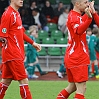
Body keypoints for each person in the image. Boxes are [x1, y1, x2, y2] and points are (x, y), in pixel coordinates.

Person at [0, 0, 41, 99]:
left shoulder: (16, 13)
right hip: (13, 54)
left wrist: (33, 43)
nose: (22, 0)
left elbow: (20, 33)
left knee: (5, 81)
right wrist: (5, 53)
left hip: (14, 53)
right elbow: (2, 37)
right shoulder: (8, 14)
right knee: (24, 81)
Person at [56, 0, 93, 99]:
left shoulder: (76, 16)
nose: (87, 4)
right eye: (85, 2)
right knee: (81, 88)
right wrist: (89, 19)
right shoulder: (73, 17)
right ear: (77, 4)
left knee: (72, 87)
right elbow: (78, 31)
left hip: (73, 55)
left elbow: (82, 21)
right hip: (78, 56)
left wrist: (89, 11)